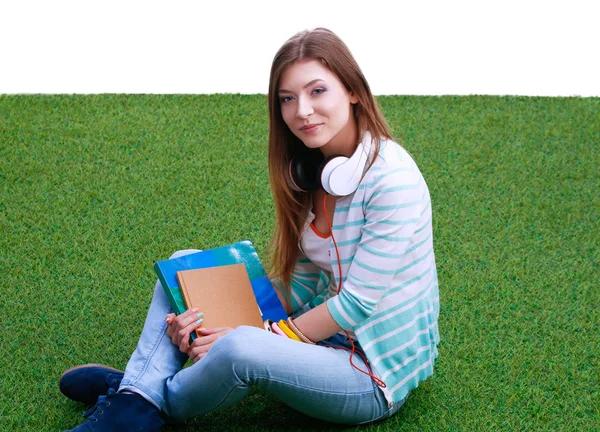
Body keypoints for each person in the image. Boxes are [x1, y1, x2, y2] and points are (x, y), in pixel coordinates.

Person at [59, 27, 440, 431]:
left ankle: (138, 396)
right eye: (287, 99)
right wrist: (206, 317)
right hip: (321, 339)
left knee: (240, 346)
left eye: (317, 91)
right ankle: (139, 396)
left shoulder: (391, 180)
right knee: (186, 267)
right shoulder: (314, 171)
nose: (302, 111)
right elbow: (309, 280)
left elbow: (355, 304)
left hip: (369, 372)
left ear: (353, 91)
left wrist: (258, 334)